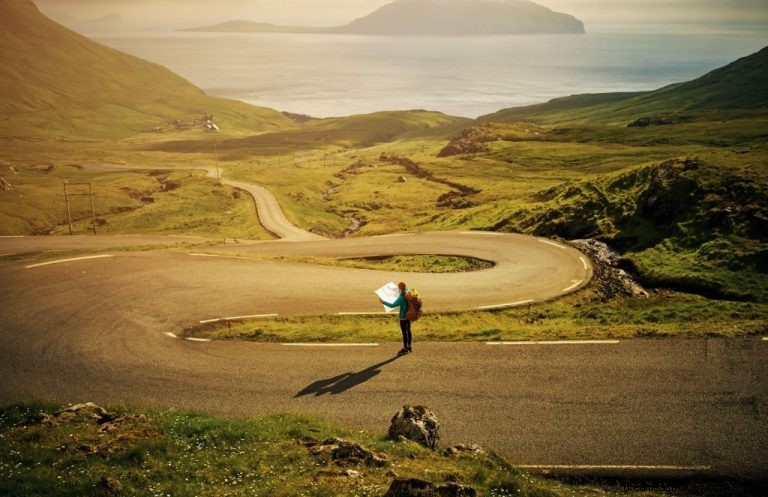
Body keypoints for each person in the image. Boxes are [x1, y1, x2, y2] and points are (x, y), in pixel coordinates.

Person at [379, 281, 412, 354]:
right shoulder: (407, 293)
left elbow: (392, 305)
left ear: (399, 288)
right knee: (409, 332)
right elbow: (406, 289)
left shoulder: (401, 298)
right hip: (409, 316)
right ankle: (409, 347)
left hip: (403, 318)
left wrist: (383, 302)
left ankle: (405, 348)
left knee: (404, 334)